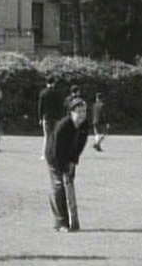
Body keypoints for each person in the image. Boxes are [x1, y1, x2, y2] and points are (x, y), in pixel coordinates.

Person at [45, 97, 89, 232]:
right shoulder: (63, 126)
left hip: (69, 158)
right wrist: (63, 167)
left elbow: (80, 146)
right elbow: (57, 149)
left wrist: (73, 162)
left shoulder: (84, 125)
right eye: (79, 111)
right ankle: (61, 222)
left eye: (84, 111)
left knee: (69, 186)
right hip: (54, 158)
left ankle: (73, 221)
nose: (82, 114)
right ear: (71, 112)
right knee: (58, 186)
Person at [38, 76, 63, 159]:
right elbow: (59, 106)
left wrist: (40, 118)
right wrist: (60, 117)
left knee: (47, 136)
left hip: (46, 117)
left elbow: (40, 107)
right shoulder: (57, 93)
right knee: (54, 137)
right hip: (55, 117)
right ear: (53, 83)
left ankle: (44, 154)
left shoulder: (43, 93)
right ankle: (53, 154)